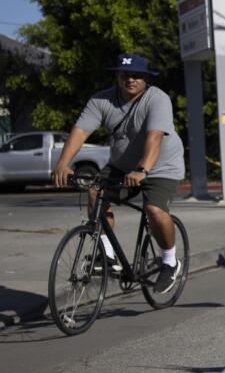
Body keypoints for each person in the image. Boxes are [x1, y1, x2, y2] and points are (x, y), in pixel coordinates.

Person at [52, 52, 186, 295]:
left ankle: (170, 261)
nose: (130, 80)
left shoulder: (158, 99)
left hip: (161, 166)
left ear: (146, 79)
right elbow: (81, 131)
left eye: (137, 75)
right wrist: (63, 163)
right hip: (123, 166)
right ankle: (109, 256)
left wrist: (143, 169)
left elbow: (154, 137)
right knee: (95, 191)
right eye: (125, 75)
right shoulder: (101, 101)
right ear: (117, 76)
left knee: (154, 210)